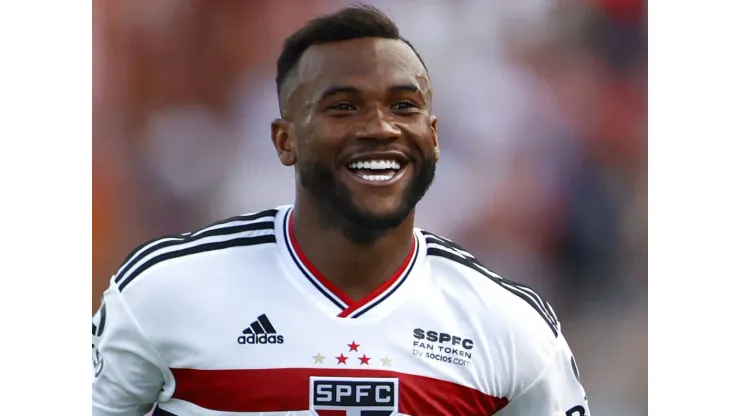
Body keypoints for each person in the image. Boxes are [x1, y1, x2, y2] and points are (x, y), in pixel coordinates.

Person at [92, 5, 590, 416]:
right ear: (285, 140)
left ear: (434, 136)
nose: (381, 128)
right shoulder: (163, 291)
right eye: (343, 107)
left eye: (403, 107)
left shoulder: (509, 325)